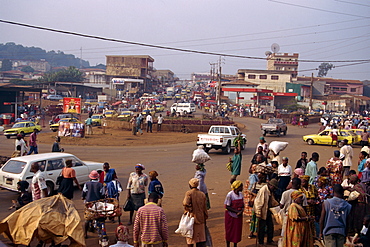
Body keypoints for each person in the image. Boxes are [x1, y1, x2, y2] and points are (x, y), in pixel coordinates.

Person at [183, 178, 208, 247]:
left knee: (190, 239)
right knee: (199, 239)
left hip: (191, 218)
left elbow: (185, 203)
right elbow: (205, 208)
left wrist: (190, 209)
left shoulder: (189, 193)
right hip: (201, 219)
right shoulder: (202, 194)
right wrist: (205, 217)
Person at [253, 178, 279, 246]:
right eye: (274, 187)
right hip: (262, 212)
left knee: (270, 226)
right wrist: (258, 213)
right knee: (261, 228)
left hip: (267, 211)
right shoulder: (263, 190)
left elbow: (272, 200)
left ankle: (269, 240)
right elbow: (258, 203)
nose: (274, 189)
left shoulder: (270, 190)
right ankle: (260, 242)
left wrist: (277, 205)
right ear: (270, 185)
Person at [82, 170, 104, 239]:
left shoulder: (87, 184)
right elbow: (102, 194)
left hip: (89, 204)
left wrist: (83, 197)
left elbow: (84, 192)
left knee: (87, 219)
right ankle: (101, 233)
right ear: (97, 177)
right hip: (98, 204)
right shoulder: (100, 185)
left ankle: (85, 233)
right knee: (100, 218)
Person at [224, 180, 244, 247]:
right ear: (237, 187)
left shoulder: (241, 194)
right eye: (241, 187)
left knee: (237, 232)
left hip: (238, 217)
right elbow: (227, 206)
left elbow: (242, 205)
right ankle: (228, 245)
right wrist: (236, 212)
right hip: (230, 216)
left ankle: (235, 245)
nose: (242, 188)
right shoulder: (230, 195)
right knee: (229, 231)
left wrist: (241, 211)